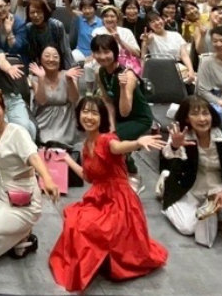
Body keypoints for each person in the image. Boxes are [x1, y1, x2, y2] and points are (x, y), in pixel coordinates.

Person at [48, 96, 167, 291]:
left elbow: (119, 147)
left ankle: (97, 262)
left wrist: (137, 142)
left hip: (119, 201)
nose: (89, 117)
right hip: (99, 196)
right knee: (75, 219)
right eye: (85, 112)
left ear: (101, 118)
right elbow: (88, 177)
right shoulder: (86, 146)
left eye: (94, 113)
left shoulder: (107, 139)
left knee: (87, 226)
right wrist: (67, 160)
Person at [0, 88, 60, 265]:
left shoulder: (17, 132)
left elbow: (33, 157)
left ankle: (24, 233)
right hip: (1, 192)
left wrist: (48, 179)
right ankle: (19, 237)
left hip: (24, 196)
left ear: (4, 109)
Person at [159, 96, 222, 247]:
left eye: (205, 113)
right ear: (187, 118)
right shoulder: (181, 134)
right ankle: (165, 185)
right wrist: (175, 146)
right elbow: (167, 156)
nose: (202, 119)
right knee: (187, 227)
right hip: (189, 185)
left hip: (218, 184)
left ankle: (218, 215)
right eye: (195, 114)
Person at [93, 34, 153, 192]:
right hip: (120, 117)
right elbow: (108, 102)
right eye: (98, 52)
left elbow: (125, 112)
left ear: (115, 52)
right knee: (105, 137)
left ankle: (132, 174)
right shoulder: (100, 73)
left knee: (112, 142)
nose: (102, 56)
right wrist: (111, 126)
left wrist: (122, 88)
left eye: (106, 52)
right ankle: (118, 175)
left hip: (139, 118)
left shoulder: (128, 75)